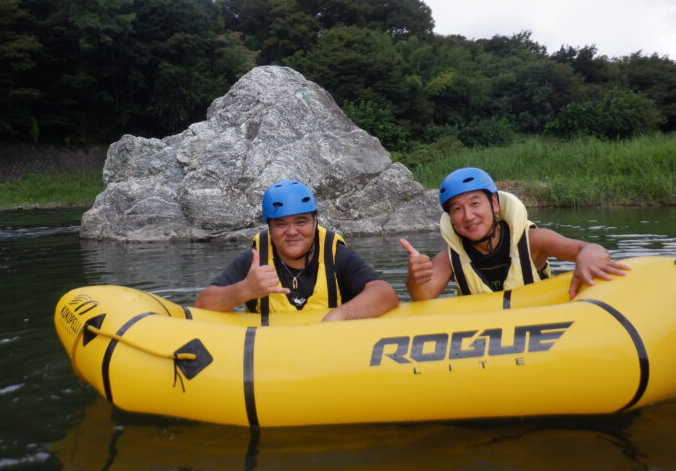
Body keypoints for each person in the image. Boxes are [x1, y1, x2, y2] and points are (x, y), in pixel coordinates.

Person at [400, 167, 630, 301]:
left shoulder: (533, 241)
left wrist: (587, 255)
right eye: (457, 209)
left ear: (494, 204)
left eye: (475, 203)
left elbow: (589, 249)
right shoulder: (448, 259)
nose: (468, 216)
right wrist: (415, 278)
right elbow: (423, 297)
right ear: (451, 218)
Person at [194, 179, 399, 321]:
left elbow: (385, 293)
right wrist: (245, 290)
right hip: (272, 354)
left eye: (300, 222)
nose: (292, 232)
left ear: (314, 222)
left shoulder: (337, 256)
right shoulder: (254, 261)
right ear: (270, 228)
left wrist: (338, 316)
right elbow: (203, 304)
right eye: (281, 224)